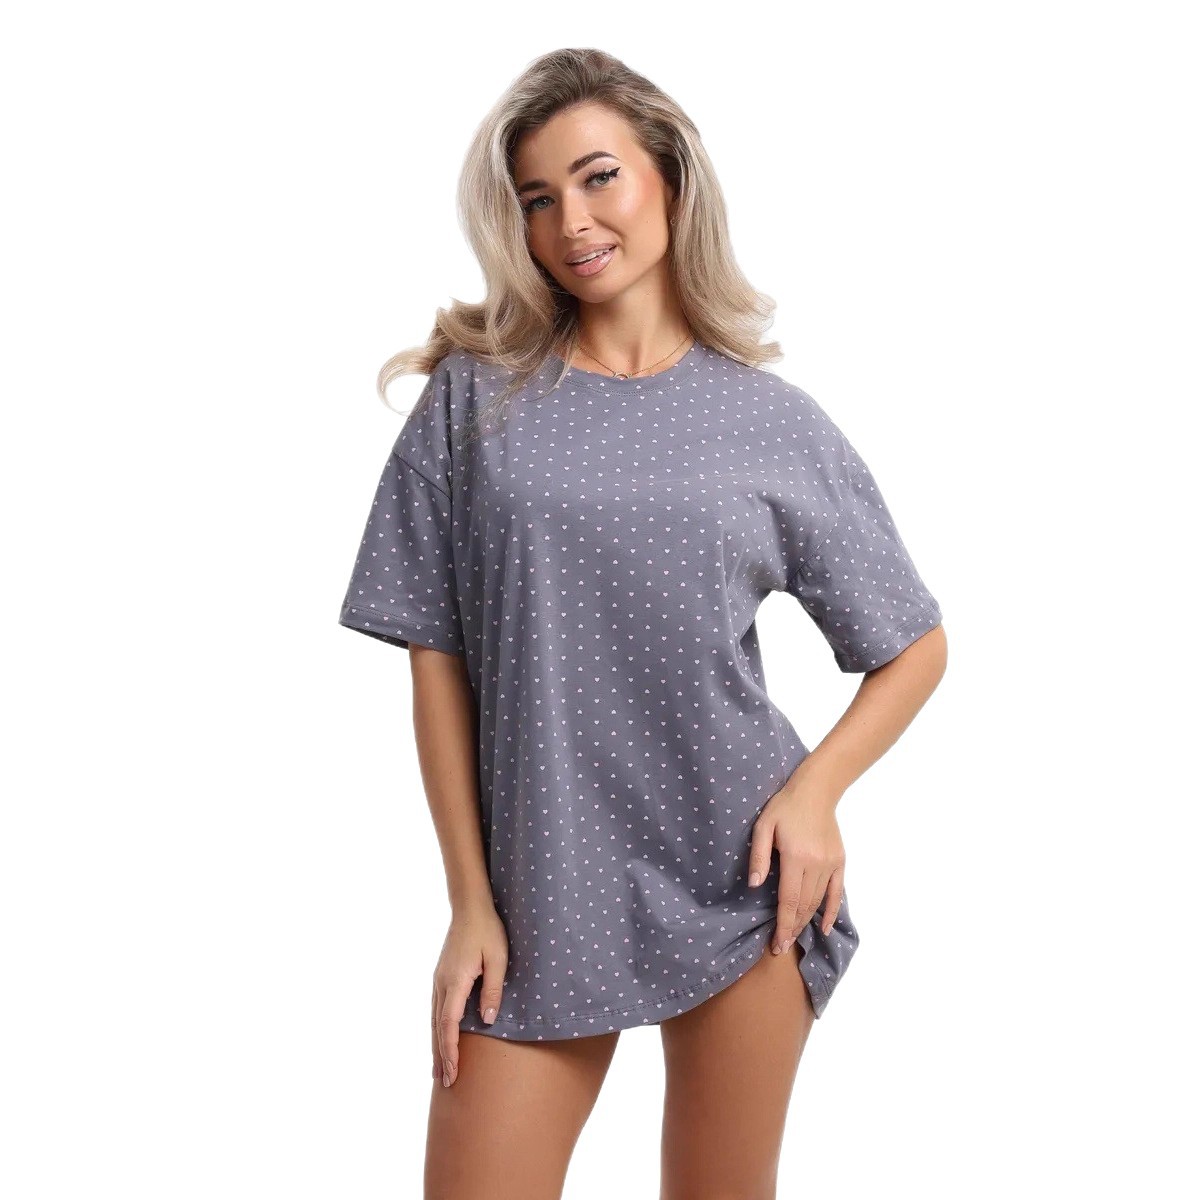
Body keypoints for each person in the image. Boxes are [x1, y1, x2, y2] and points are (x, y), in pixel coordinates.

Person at [337, 47, 948, 1200]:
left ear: (669, 174)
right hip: (539, 891)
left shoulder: (771, 422)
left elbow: (912, 645)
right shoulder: (476, 397)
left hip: (742, 882)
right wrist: (468, 901)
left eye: (598, 176)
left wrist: (814, 795)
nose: (571, 221)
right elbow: (437, 656)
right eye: (537, 198)